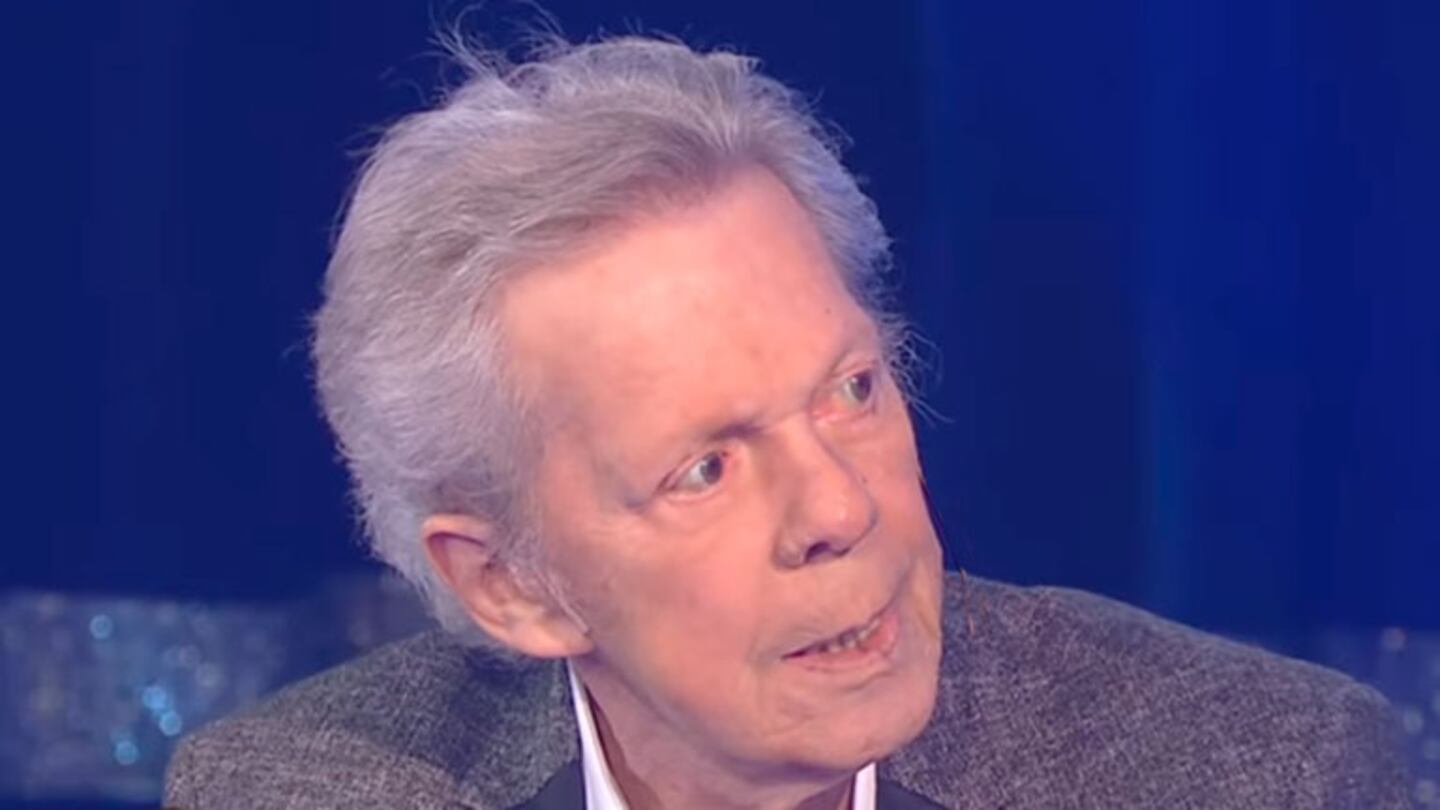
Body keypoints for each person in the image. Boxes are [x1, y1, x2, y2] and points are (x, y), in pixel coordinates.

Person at [164, 33, 1409, 809]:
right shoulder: (300, 792)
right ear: (512, 585)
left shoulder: (1256, 776)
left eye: (850, 392)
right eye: (705, 468)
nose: (839, 508)